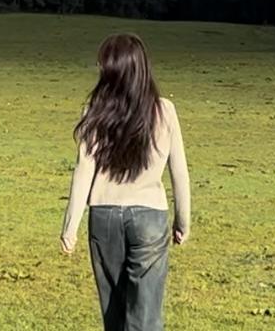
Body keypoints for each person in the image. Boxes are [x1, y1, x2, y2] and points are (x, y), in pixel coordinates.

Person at [60, 33, 191, 331]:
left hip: (103, 216)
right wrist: (183, 221)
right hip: (149, 216)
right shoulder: (165, 111)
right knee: (145, 316)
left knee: (114, 314)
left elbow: (83, 170)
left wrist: (70, 227)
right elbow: (179, 171)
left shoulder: (94, 112)